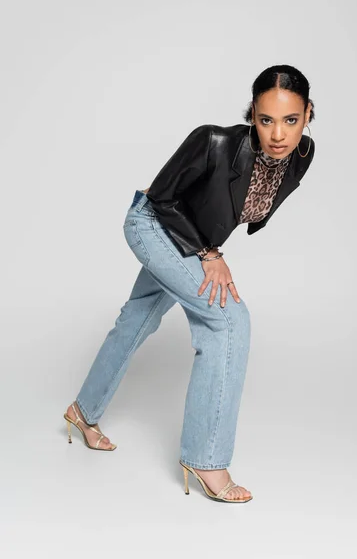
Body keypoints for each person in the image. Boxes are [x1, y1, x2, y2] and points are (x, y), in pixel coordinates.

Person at [63, 64, 316, 503]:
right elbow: (161, 201)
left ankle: (81, 413)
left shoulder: (303, 155)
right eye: (266, 119)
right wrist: (209, 254)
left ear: (308, 115)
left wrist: (207, 247)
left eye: (290, 120)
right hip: (152, 224)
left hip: (193, 238)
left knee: (136, 322)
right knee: (229, 322)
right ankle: (206, 458)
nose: (278, 134)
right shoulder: (213, 141)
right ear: (252, 114)